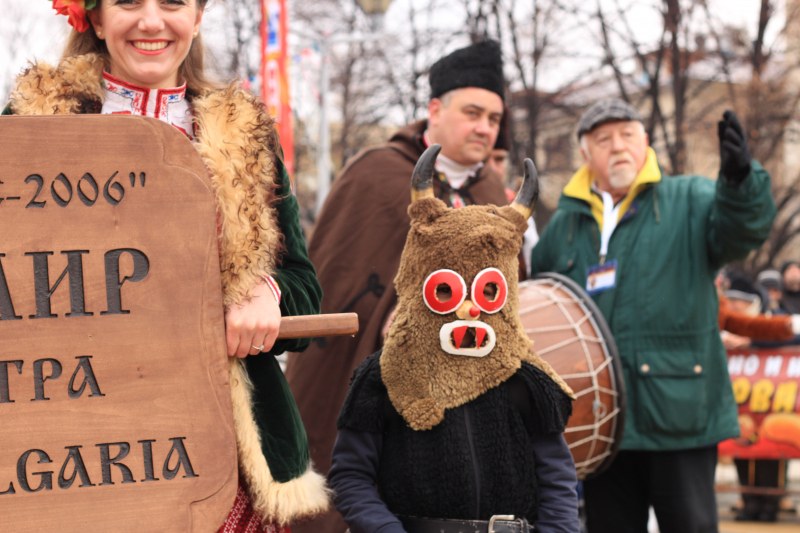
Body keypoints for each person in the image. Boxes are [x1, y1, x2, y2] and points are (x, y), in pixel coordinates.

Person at [5, 1, 328, 530]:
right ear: (98, 18)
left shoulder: (243, 134)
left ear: (197, 17)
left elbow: (303, 287)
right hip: (71, 455)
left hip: (221, 455)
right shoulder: (34, 124)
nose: (151, 21)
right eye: (128, 2)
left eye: (173, 3)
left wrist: (264, 293)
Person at [284, 39, 510, 533]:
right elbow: (338, 276)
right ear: (435, 108)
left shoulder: (493, 194)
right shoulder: (377, 176)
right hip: (370, 390)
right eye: (472, 112)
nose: (485, 128)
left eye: (493, 118)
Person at [530, 98, 776, 533]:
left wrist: (740, 183)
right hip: (599, 425)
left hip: (679, 416)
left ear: (646, 142)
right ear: (585, 154)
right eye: (603, 139)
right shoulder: (564, 226)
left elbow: (743, 233)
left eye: (627, 134)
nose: (618, 146)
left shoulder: (690, 198)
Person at [330, 147, 579, 533]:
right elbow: (350, 478)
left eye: (485, 293)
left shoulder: (524, 380)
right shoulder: (384, 377)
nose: (468, 309)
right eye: (447, 291)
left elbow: (558, 480)